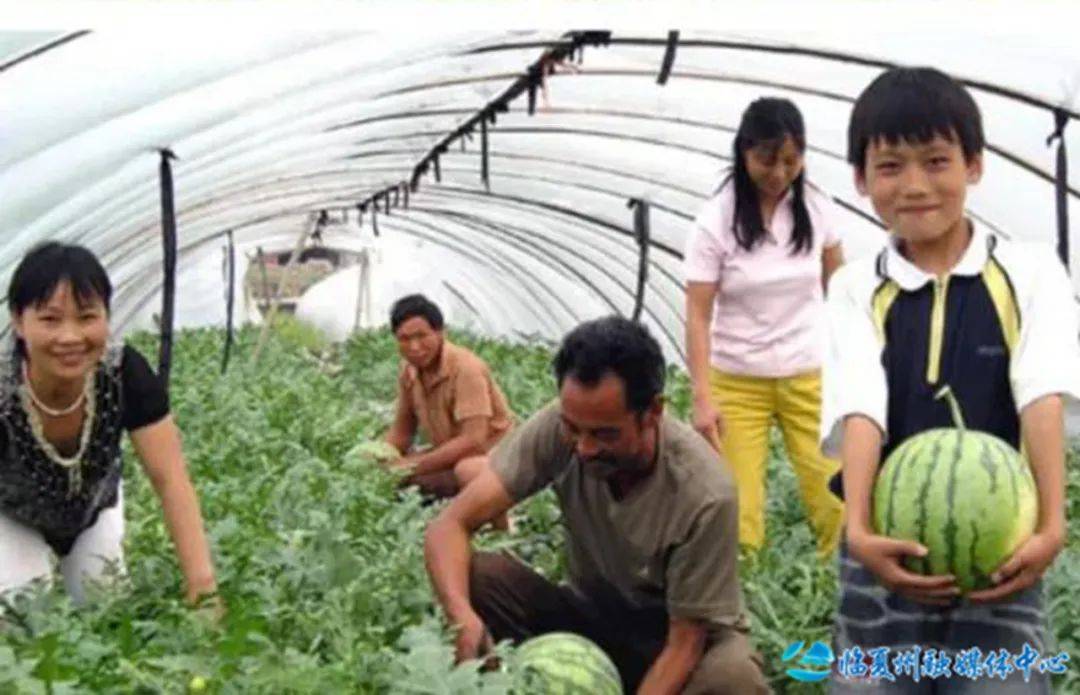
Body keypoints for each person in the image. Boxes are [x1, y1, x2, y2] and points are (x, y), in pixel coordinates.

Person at [822, 67, 1080, 693]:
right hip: (885, 547)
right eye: (890, 167)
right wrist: (860, 532)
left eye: (937, 161)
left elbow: (1040, 393)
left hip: (1003, 551)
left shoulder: (1029, 271)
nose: (915, 186)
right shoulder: (855, 286)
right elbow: (861, 406)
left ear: (974, 165)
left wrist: (1051, 525)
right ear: (860, 179)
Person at [424, 316, 770, 694]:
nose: (585, 448)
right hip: (593, 617)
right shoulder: (561, 427)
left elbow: (684, 644)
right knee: (480, 576)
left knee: (733, 678)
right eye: (573, 428)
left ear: (653, 412)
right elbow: (449, 525)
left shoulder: (704, 492)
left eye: (606, 434)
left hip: (675, 641)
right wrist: (462, 616)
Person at [0, 243, 218, 607]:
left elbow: (170, 479)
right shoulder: (4, 390)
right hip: (10, 513)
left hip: (92, 507)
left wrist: (203, 588)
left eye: (86, 317)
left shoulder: (124, 373)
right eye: (51, 320)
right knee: (22, 608)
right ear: (19, 322)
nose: (70, 337)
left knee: (106, 607)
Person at [684, 97, 846, 558]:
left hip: (807, 373)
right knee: (739, 512)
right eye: (767, 160)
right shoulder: (716, 219)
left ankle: (844, 582)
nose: (779, 173)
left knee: (836, 494)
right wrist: (702, 397)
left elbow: (840, 292)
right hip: (738, 381)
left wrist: (853, 368)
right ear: (744, 153)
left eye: (791, 161)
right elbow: (698, 314)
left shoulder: (817, 208)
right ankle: (745, 591)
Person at [383, 294, 514, 526]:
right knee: (392, 477)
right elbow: (402, 432)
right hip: (452, 454)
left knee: (468, 470)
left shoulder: (466, 369)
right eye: (404, 339)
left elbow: (474, 440)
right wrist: (380, 457)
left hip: (494, 457)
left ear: (440, 332)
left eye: (421, 336)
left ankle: (501, 529)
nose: (414, 347)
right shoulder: (409, 371)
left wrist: (411, 465)